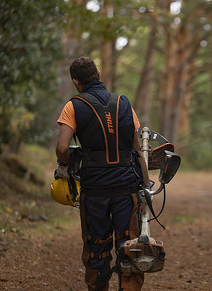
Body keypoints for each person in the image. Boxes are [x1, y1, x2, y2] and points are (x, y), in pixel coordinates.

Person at [55, 57, 151, 291]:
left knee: (96, 246)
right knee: (130, 246)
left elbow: (62, 148)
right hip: (126, 188)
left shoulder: (73, 106)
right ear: (98, 73)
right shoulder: (124, 103)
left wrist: (66, 166)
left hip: (94, 190)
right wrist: (146, 185)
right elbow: (137, 150)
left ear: (76, 82)